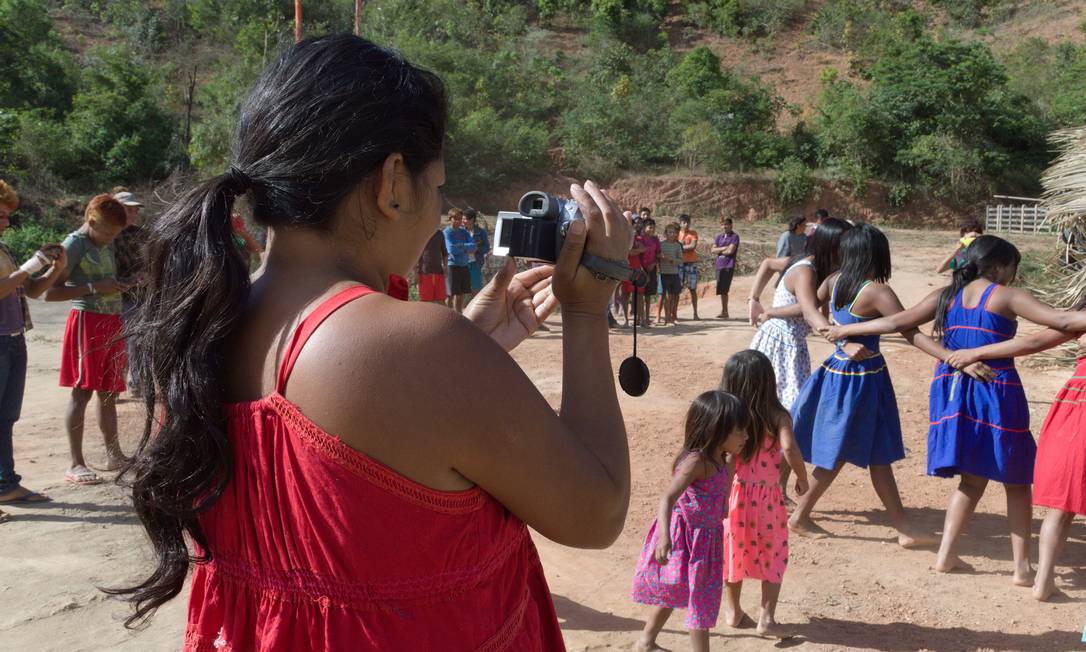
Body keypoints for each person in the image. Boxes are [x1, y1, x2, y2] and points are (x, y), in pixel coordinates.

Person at [114, 35, 634, 650]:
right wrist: (585, 310)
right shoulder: (422, 347)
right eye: (435, 185)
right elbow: (596, 514)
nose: (436, 207)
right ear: (393, 184)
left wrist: (469, 353)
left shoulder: (201, 321)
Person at [825, 235, 1086, 583]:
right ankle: (1022, 568)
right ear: (999, 266)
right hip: (996, 386)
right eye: (1013, 268)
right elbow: (1064, 322)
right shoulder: (1005, 295)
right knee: (1018, 479)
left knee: (971, 479)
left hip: (952, 388)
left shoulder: (945, 296)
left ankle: (947, 555)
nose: (1013, 275)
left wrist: (846, 329)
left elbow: (894, 324)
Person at [788, 224, 953, 547]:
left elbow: (814, 312)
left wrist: (835, 334)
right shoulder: (878, 292)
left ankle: (903, 527)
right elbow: (911, 332)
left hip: (839, 372)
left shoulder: (834, 282)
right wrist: (950, 357)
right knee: (838, 452)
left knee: (878, 453)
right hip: (863, 379)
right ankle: (800, 515)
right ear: (878, 254)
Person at [944, 315, 1086, 602]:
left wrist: (976, 352)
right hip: (1077, 408)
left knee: (1063, 504)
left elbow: (1035, 341)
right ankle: (1038, 579)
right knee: (1061, 503)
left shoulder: (1078, 320)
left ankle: (1043, 581)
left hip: (1076, 406)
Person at [632, 391, 749, 652]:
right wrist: (664, 538)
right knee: (700, 603)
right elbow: (667, 498)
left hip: (707, 539)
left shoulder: (724, 458)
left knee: (680, 591)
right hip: (686, 539)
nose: (746, 437)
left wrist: (722, 510)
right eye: (740, 431)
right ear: (717, 430)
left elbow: (723, 491)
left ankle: (645, 642)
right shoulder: (696, 462)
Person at [746, 219, 853, 503]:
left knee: (787, 417)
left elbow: (769, 264)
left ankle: (775, 489)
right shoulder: (805, 270)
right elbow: (809, 311)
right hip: (781, 347)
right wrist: (843, 339)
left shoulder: (808, 265)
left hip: (791, 346)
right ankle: (761, 486)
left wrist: (761, 304)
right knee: (788, 417)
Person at [720, 350, 808, 639]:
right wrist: (801, 476)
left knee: (734, 553)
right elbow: (789, 448)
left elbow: (724, 458)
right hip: (768, 500)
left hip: (734, 496)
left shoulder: (730, 418)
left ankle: (732, 612)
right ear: (769, 380)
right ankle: (767, 618)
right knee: (774, 555)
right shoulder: (778, 415)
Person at [46, 194, 130, 486]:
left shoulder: (101, 242)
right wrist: (95, 287)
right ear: (90, 221)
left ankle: (113, 454)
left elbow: (104, 281)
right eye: (106, 233)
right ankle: (76, 463)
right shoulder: (74, 244)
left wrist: (118, 286)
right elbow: (50, 292)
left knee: (109, 392)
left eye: (114, 235)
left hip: (111, 321)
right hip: (87, 323)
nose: (109, 239)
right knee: (82, 392)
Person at [0, 180, 67, 523]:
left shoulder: (3, 250)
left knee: (6, 418)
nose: (6, 222)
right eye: (1, 214)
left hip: (12, 339)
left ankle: (5, 484)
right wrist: (31, 264)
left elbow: (31, 290)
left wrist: (55, 267)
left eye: (8, 215)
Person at [110, 189, 147, 394]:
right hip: (112, 297)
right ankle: (113, 385)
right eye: (128, 210)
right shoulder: (106, 236)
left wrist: (147, 275)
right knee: (118, 342)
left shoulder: (141, 234)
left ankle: (136, 382)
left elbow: (153, 261)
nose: (133, 214)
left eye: (135, 210)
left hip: (139, 295)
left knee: (138, 339)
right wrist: (129, 280)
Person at [443, 208, 475, 313]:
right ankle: (447, 316)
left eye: (460, 219)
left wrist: (461, 245)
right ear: (450, 219)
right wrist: (466, 248)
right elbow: (451, 249)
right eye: (455, 219)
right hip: (452, 266)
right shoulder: (447, 233)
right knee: (450, 294)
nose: (458, 221)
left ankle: (459, 316)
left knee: (461, 295)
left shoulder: (464, 232)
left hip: (464, 265)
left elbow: (473, 246)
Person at [711, 216, 739, 320]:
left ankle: (725, 311)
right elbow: (712, 250)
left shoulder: (735, 237)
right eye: (722, 224)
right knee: (721, 289)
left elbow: (730, 251)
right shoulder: (718, 237)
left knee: (724, 289)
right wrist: (723, 248)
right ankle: (724, 311)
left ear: (731, 225)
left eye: (726, 224)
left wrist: (719, 250)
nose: (724, 226)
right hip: (719, 265)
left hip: (728, 265)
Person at [658, 223, 683, 325]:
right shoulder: (661, 245)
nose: (672, 234)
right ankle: (666, 318)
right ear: (665, 233)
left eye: (673, 232)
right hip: (664, 274)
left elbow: (681, 260)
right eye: (669, 232)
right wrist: (661, 257)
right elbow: (657, 256)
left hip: (674, 274)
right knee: (666, 297)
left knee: (672, 296)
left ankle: (671, 317)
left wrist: (672, 260)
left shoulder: (677, 245)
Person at [415, 227, 447, 304]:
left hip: (438, 272)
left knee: (441, 300)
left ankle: (443, 316)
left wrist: (446, 267)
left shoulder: (440, 233)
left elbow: (444, 253)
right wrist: (415, 272)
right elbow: (415, 254)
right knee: (425, 302)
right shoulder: (420, 233)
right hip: (424, 272)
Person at [678, 214, 700, 320]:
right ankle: (674, 314)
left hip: (691, 263)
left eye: (688, 222)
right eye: (684, 222)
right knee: (677, 289)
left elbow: (693, 246)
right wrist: (683, 247)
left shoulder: (693, 233)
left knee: (692, 288)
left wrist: (680, 246)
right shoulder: (677, 234)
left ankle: (695, 314)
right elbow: (688, 246)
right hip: (680, 263)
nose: (686, 224)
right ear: (680, 223)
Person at [639, 218, 660, 328]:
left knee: (648, 295)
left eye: (653, 227)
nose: (652, 229)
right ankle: (641, 319)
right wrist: (642, 266)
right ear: (644, 228)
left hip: (651, 269)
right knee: (640, 295)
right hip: (641, 270)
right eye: (649, 227)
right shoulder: (640, 239)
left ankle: (647, 318)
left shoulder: (655, 240)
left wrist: (654, 263)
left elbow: (658, 253)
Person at [465, 209, 489, 296]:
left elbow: (486, 248)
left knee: (476, 288)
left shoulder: (481, 232)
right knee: (462, 289)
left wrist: (477, 249)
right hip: (462, 263)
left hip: (476, 263)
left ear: (471, 220)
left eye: (465, 219)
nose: (463, 221)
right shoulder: (461, 232)